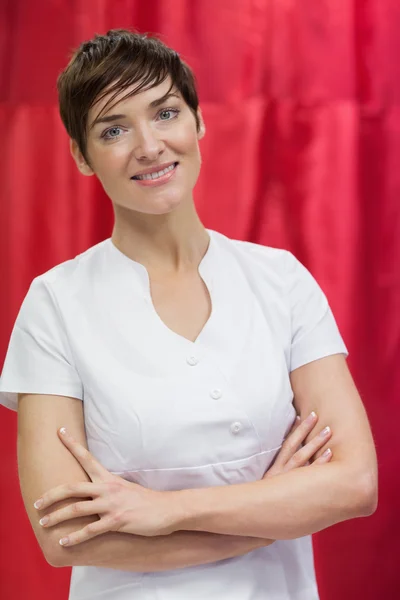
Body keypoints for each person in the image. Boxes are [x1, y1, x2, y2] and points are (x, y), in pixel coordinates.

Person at [0, 28, 377, 600]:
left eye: (166, 113)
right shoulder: (55, 304)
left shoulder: (281, 280)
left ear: (198, 123)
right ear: (81, 154)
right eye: (114, 129)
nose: (149, 146)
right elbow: (67, 537)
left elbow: (355, 482)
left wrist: (163, 510)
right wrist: (270, 513)